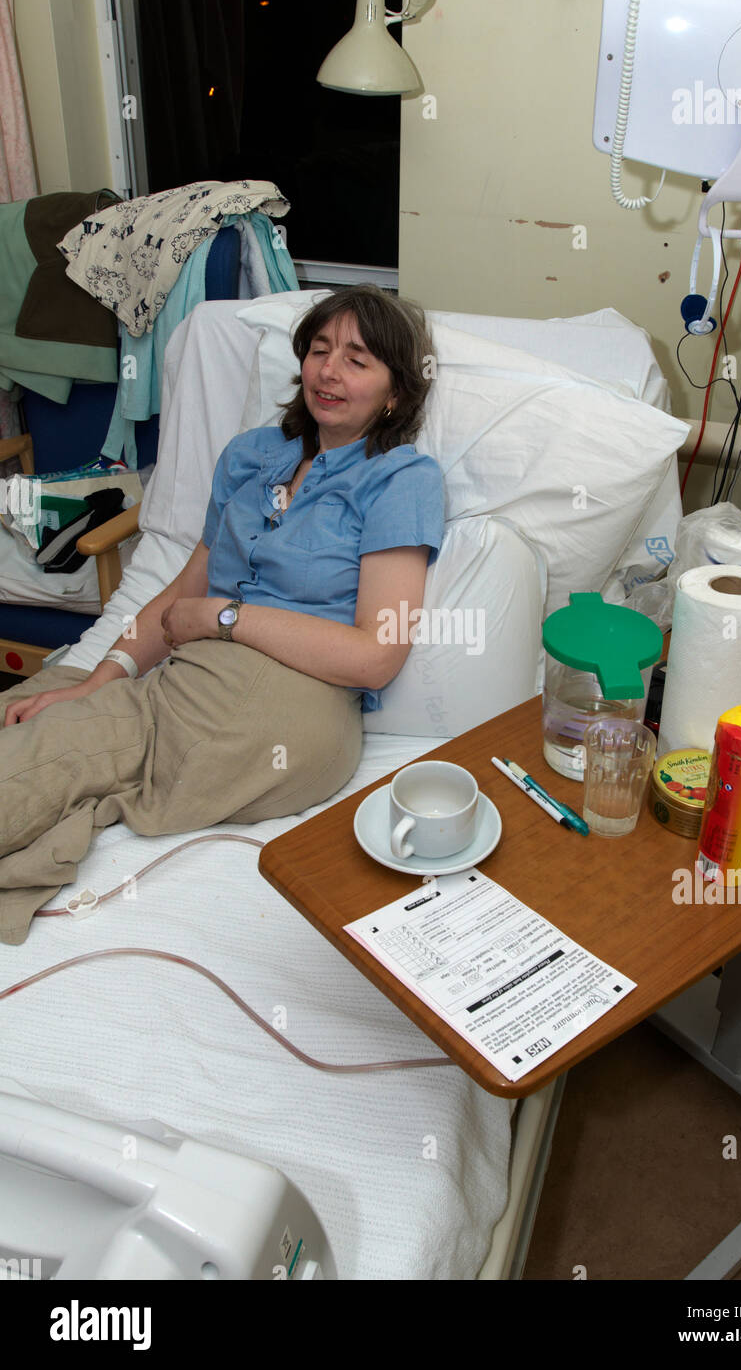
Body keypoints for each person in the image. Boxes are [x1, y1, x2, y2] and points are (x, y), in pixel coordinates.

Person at [0, 285, 444, 945]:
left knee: (38, 755)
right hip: (196, 674)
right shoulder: (252, 456)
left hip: (285, 704)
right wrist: (101, 677)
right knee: (44, 700)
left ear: (394, 394)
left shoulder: (399, 480)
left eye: (357, 359)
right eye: (320, 350)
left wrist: (224, 620)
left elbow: (376, 655)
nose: (328, 370)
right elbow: (184, 590)